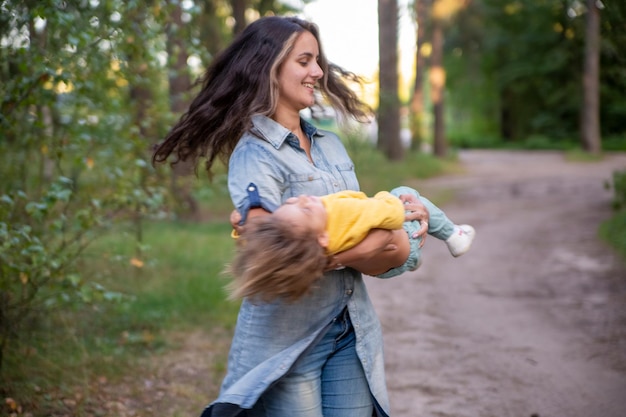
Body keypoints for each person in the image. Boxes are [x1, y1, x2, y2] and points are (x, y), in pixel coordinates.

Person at [152, 16, 430, 417]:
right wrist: (371, 240)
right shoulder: (256, 154)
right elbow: (269, 252)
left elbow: (387, 250)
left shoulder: (332, 147)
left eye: (318, 60)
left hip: (351, 329)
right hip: (287, 340)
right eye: (305, 61)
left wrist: (395, 223)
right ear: (270, 66)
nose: (318, 71)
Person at [228, 184, 475, 302]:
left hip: (387, 266)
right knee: (405, 192)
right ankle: (454, 235)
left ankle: (418, 258)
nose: (302, 198)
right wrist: (387, 199)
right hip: (404, 244)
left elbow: (276, 239)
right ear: (322, 238)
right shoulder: (342, 215)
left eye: (292, 202)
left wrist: (243, 229)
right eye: (306, 208)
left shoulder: (305, 244)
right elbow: (390, 215)